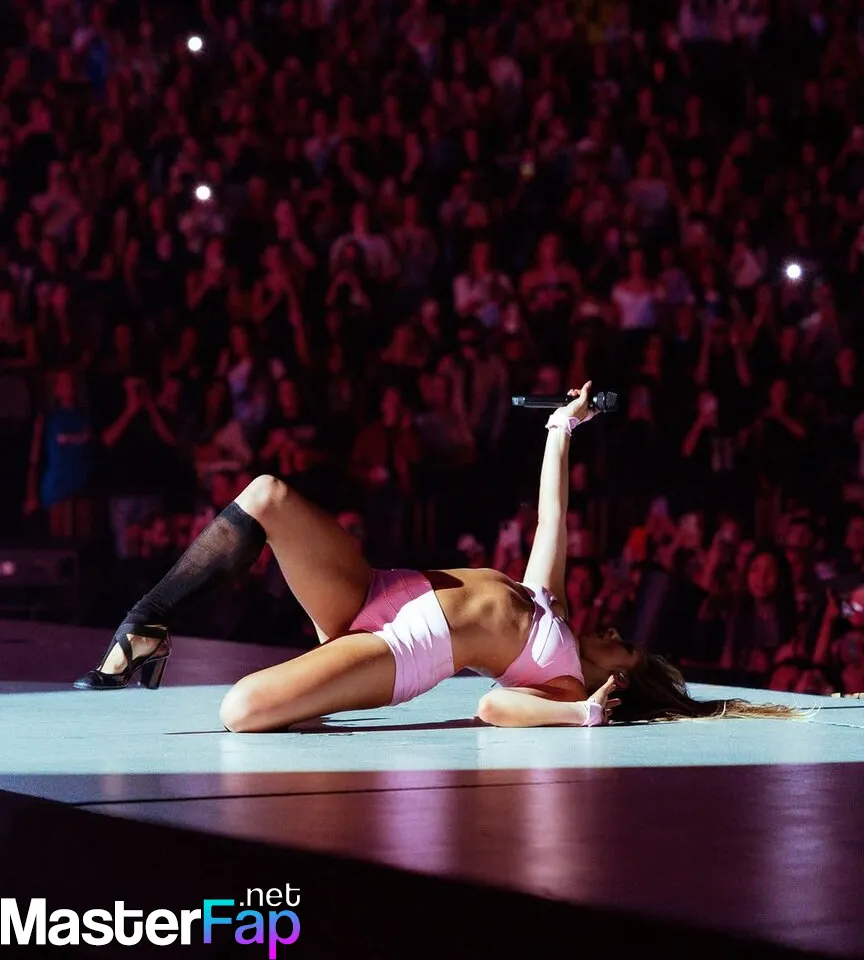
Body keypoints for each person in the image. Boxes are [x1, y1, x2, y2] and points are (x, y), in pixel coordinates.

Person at [74, 383, 801, 729]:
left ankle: (311, 690)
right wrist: (561, 428)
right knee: (267, 494)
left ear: (621, 680)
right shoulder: (551, 605)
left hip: (401, 650)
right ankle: (145, 624)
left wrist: (583, 714)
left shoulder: (560, 683)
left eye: (626, 647)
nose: (615, 632)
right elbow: (554, 515)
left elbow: (490, 705)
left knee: (240, 711)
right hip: (375, 590)